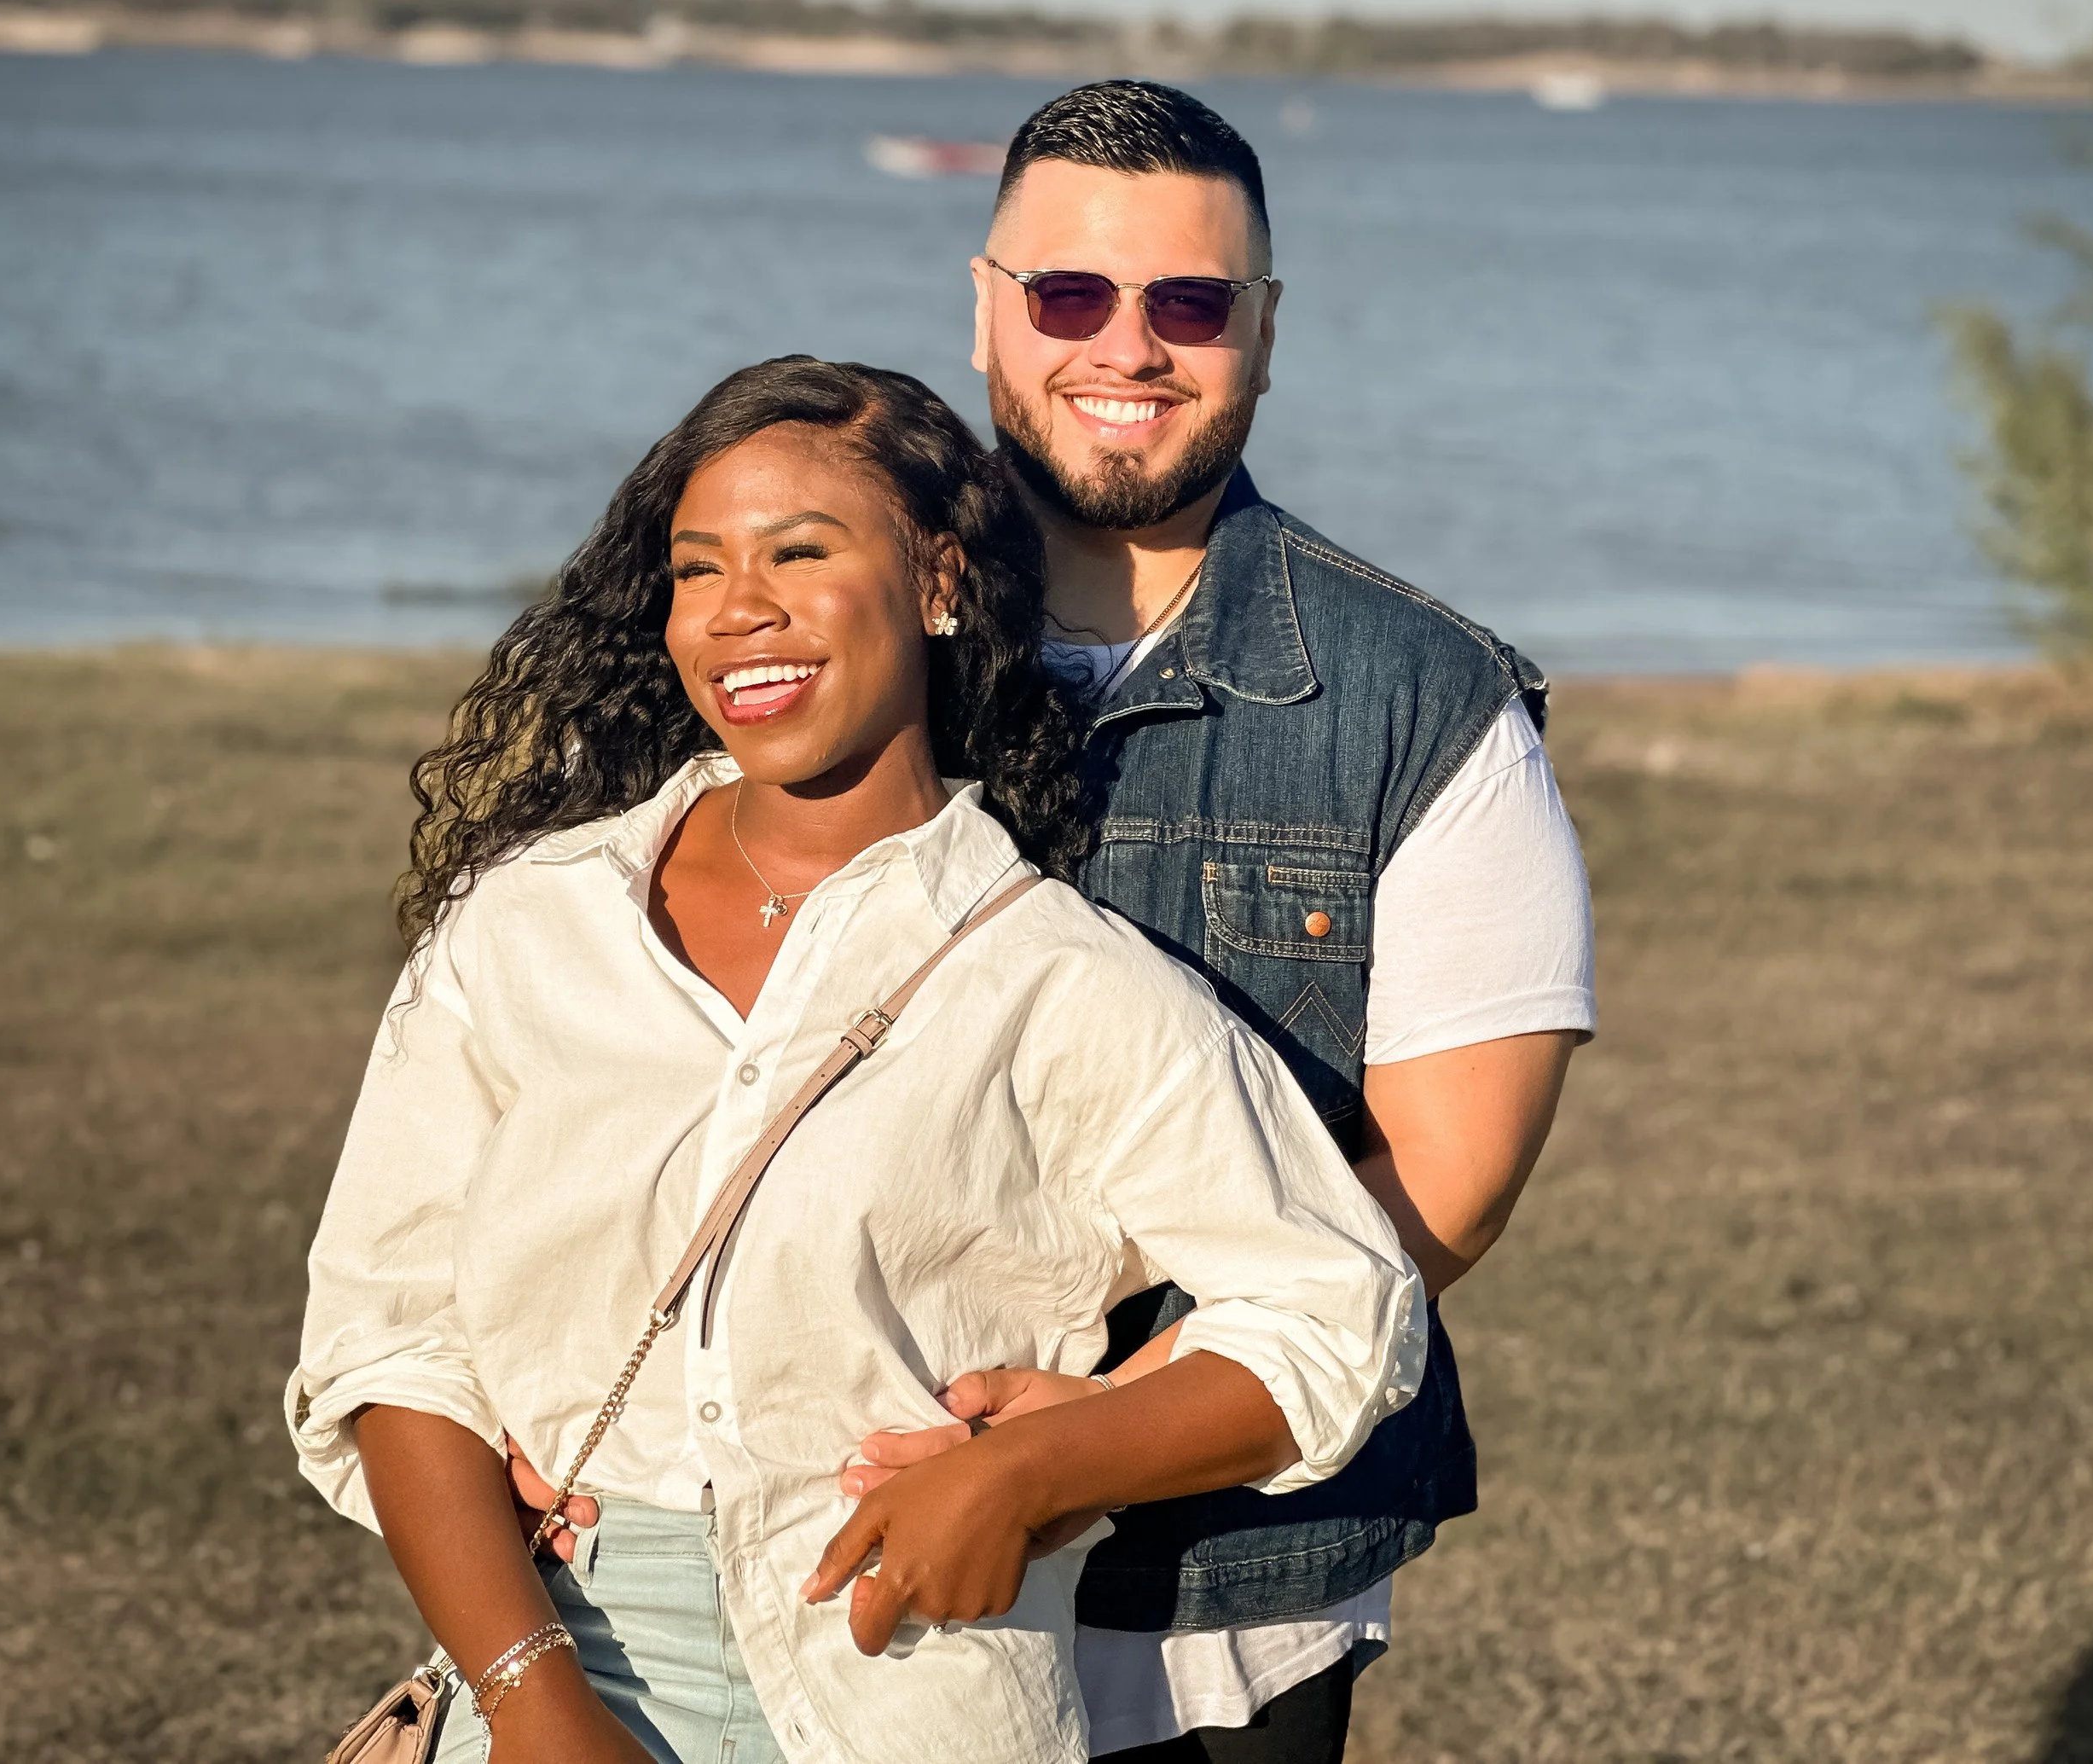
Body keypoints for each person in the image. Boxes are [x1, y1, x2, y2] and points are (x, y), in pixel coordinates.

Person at [287, 356, 1422, 1764]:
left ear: (938, 581)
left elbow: (1335, 1310)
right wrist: (533, 1702)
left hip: (914, 1683)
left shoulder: (1054, 977)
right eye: (698, 570)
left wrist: (1029, 1473)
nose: (737, 609)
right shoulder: (528, 926)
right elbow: (388, 1341)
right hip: (555, 1662)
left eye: (800, 553)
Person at [827, 80, 1598, 1763]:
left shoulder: (1427, 701)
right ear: (985, 309)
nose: (1127, 347)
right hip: (830, 1529)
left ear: (1261, 329)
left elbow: (1443, 1185)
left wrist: (1100, 1428)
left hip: (1227, 1586)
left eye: (1187, 302)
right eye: (1068, 296)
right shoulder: (834, 642)